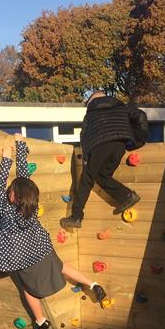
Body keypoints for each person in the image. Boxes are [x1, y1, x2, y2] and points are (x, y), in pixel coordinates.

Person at [0, 134, 107, 329]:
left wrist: (7, 158)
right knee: (62, 267)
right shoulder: (31, 208)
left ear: (13, 196)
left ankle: (41, 320)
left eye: (11, 190)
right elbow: (25, 178)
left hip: (20, 259)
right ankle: (93, 283)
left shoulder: (6, 209)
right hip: (40, 250)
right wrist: (20, 145)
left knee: (28, 289)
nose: (7, 190)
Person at [60, 91, 148, 229]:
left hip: (99, 145)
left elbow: (84, 137)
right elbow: (141, 115)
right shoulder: (121, 107)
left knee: (86, 180)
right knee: (102, 176)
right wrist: (138, 141)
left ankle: (76, 217)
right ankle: (127, 196)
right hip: (119, 145)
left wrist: (86, 158)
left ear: (92, 101)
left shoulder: (90, 114)